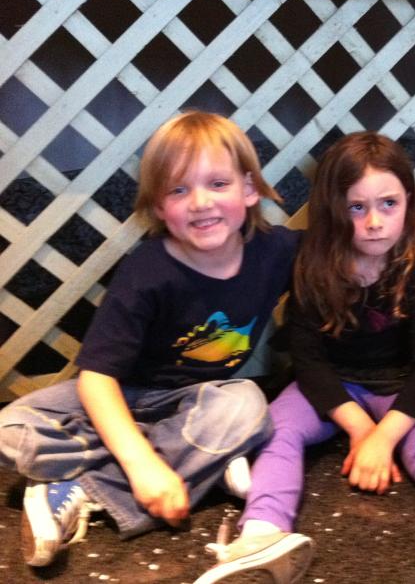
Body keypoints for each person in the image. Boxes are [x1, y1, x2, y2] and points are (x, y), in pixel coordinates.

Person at [196, 132, 415, 584]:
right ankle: (261, 534)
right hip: (331, 383)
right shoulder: (313, 263)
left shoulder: (413, 263)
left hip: (404, 384)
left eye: (389, 204)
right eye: (356, 207)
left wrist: (384, 438)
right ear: (332, 208)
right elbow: (309, 361)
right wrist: (362, 430)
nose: (375, 222)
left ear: (409, 204)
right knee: (277, 430)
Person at [0, 110, 300, 567]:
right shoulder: (147, 270)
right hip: (124, 395)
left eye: (218, 183)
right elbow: (96, 380)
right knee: (9, 431)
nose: (200, 202)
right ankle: (202, 464)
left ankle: (80, 489)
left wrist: (409, 229)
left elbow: (340, 242)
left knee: (247, 405)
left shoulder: (275, 250)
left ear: (249, 189)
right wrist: (141, 462)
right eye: (178, 190)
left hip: (201, 401)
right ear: (159, 207)